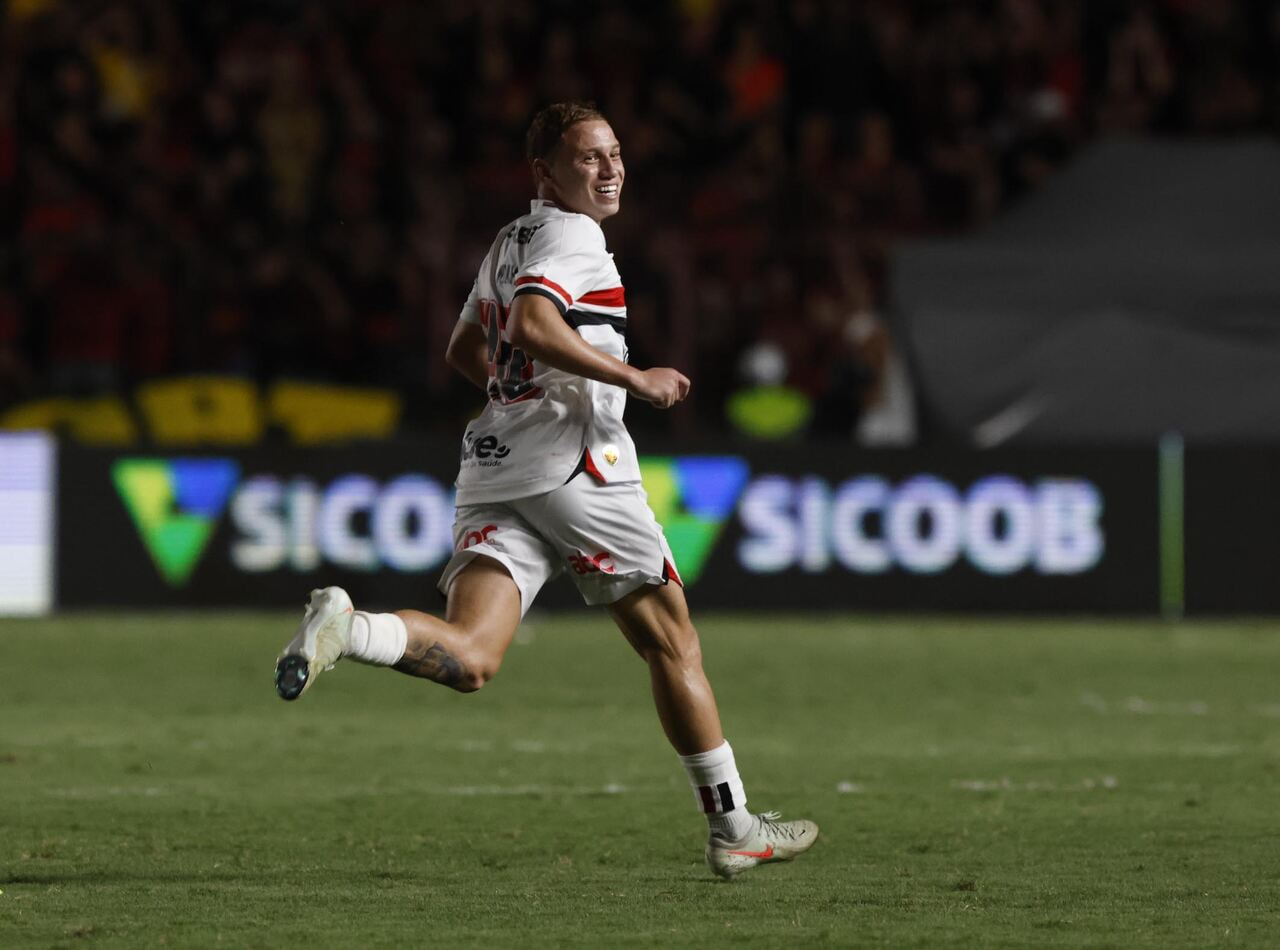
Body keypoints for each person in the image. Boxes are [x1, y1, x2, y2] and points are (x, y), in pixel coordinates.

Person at [273, 102, 817, 879]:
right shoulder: (574, 237)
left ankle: (349, 629)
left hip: (498, 464)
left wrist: (519, 401)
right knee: (673, 644)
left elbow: (465, 347)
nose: (611, 169)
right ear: (545, 173)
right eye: (589, 157)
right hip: (578, 467)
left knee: (473, 658)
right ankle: (734, 828)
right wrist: (635, 378)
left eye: (616, 153)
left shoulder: (511, 239)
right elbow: (531, 324)